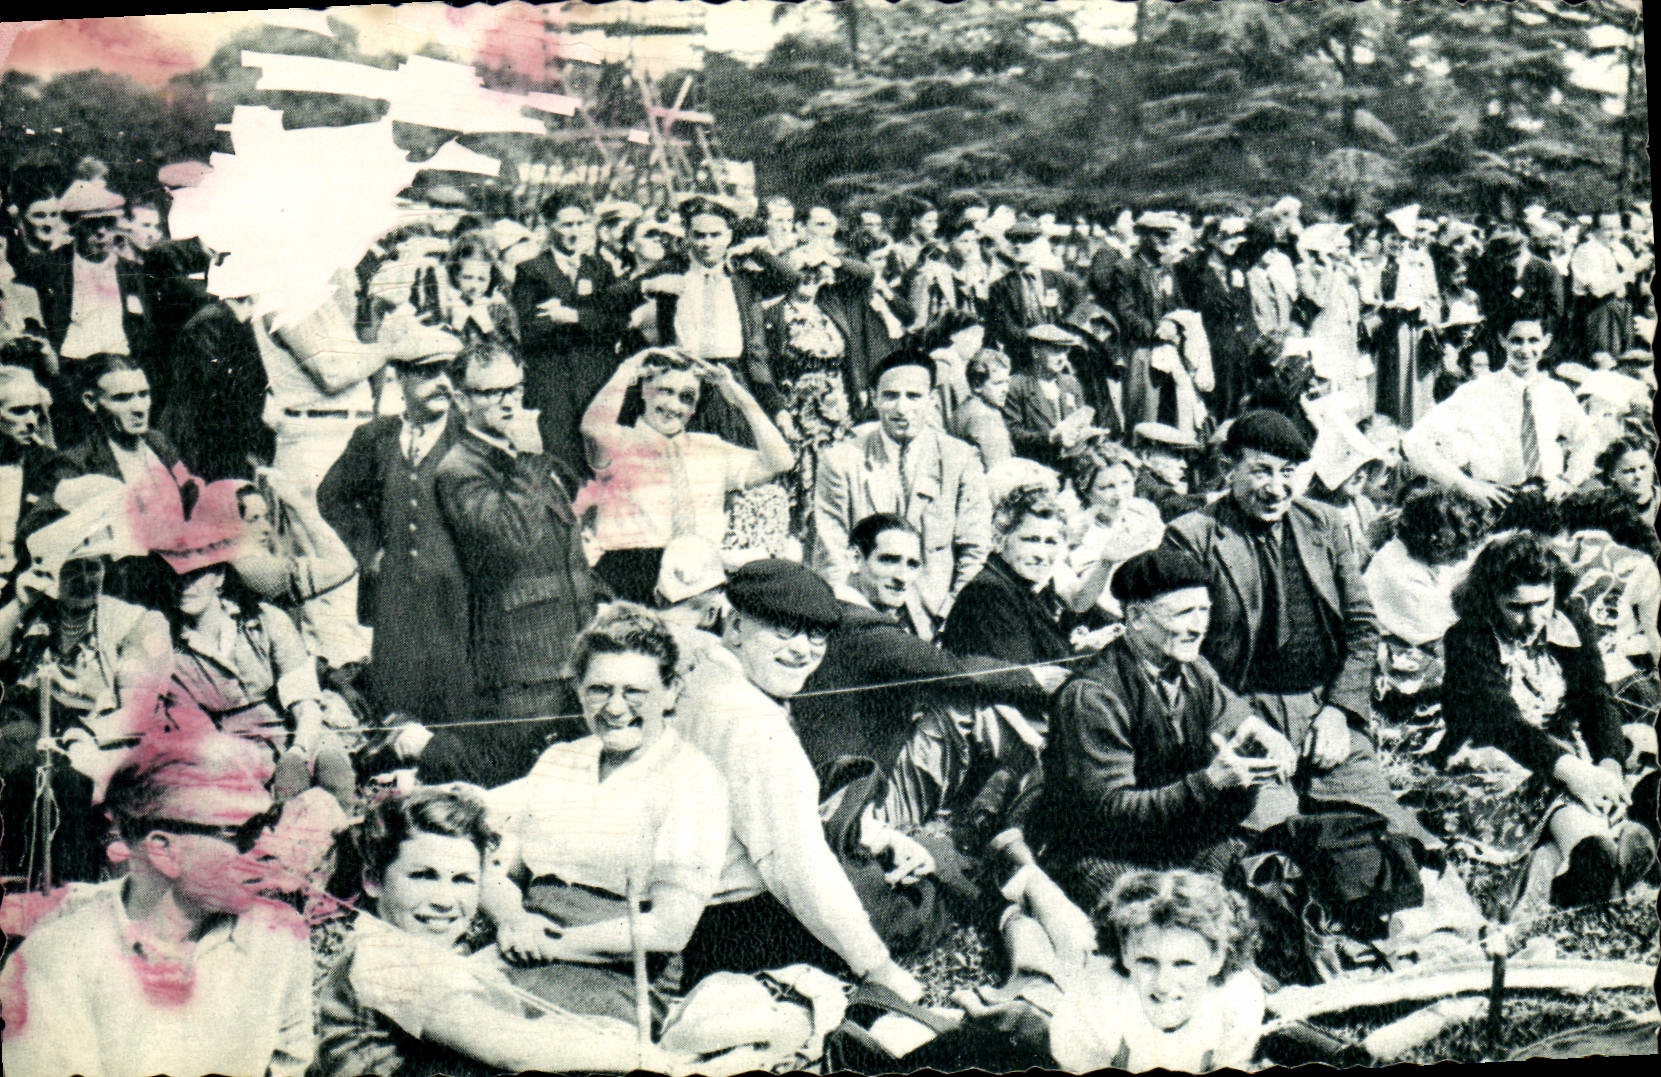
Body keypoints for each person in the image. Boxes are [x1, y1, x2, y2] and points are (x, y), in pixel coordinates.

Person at [1162, 410, 1438, 848]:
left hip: (1321, 708)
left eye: (1288, 473)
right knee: (1276, 840)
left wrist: (1338, 712)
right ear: (1227, 469)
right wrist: (1245, 725)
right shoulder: (1191, 536)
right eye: (1261, 472)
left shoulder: (1323, 524)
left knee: (1383, 831)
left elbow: (1363, 629)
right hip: (1238, 714)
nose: (1277, 488)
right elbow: (1182, 652)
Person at [673, 558, 923, 1001]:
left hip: (682, 908)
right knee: (916, 900)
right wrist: (877, 966)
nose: (802, 650)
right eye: (783, 629)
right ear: (734, 627)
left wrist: (876, 833)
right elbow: (795, 864)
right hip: (735, 929)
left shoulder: (697, 674)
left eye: (817, 634)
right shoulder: (752, 722)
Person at [0, 733, 315, 1077]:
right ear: (163, 850)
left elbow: (288, 1066)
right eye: (246, 831)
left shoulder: (280, 939)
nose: (270, 846)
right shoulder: (53, 964)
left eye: (268, 821)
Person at [480, 604, 729, 1024]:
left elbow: (670, 928)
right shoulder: (561, 759)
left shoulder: (692, 778)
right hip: (523, 948)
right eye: (599, 689)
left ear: (671, 692)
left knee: (511, 1036)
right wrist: (513, 918)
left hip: (623, 974)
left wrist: (551, 943)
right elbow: (501, 869)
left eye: (635, 692)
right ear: (578, 689)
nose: (615, 708)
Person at [316, 785, 666, 1077]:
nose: (445, 900)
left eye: (463, 880)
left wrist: (598, 1032)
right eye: (423, 876)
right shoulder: (385, 958)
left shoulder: (413, 950)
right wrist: (646, 1058)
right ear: (374, 880)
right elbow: (513, 1050)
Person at [1034, 550, 1295, 912]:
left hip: (1176, 838)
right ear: (1137, 617)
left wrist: (1264, 734)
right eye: (1183, 613)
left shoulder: (1193, 668)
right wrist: (1210, 782)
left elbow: (1232, 712)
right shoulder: (1093, 696)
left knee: (1251, 897)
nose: (1198, 626)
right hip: (1102, 851)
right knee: (1163, 921)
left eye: (1204, 611)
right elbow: (1110, 809)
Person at [1436, 532, 1654, 918]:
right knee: (1556, 788)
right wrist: (1577, 775)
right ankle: (1597, 853)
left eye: (1543, 602)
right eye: (1517, 607)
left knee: (1598, 781)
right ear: (1490, 599)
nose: (1533, 618)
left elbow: (1595, 700)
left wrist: (1608, 768)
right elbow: (1503, 724)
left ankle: (1591, 862)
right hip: (1493, 758)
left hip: (1558, 749)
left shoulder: (1569, 622)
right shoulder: (1467, 640)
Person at [432, 343, 602, 784]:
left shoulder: (523, 455)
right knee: (520, 782)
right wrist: (527, 458)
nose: (508, 400)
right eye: (490, 392)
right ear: (461, 399)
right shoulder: (460, 468)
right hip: (519, 668)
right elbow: (515, 542)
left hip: (570, 656)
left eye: (515, 388)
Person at [317, 324, 474, 727]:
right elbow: (332, 496)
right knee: (398, 701)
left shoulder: (471, 436)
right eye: (427, 372)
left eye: (449, 372)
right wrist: (371, 550)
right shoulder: (376, 437)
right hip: (394, 597)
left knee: (458, 700)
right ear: (399, 376)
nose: (442, 383)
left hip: (459, 596)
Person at [577, 347, 794, 603]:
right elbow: (592, 429)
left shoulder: (710, 447)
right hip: (632, 576)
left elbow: (781, 461)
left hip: (700, 578)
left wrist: (735, 393)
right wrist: (628, 369)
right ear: (645, 391)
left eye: (686, 397)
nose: (673, 405)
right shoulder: (621, 442)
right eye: (665, 391)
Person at [813, 348, 993, 618]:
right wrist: (851, 617)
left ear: (931, 399)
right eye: (890, 396)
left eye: (913, 397)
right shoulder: (840, 460)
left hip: (937, 613)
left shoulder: (960, 458)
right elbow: (831, 551)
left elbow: (975, 547)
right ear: (873, 398)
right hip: (863, 611)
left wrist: (952, 614)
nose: (901, 409)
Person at [1048, 870, 1265, 1074]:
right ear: (1125, 951)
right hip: (1079, 974)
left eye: (1183, 964)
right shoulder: (1094, 1002)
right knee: (1054, 945)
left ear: (1217, 958)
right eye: (1147, 961)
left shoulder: (1238, 1001)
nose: (1163, 984)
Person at [642, 195, 795, 447]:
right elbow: (621, 294)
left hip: (732, 381)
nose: (706, 243)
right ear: (688, 236)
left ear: (729, 236)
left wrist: (758, 250)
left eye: (715, 235)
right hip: (684, 382)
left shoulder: (743, 281)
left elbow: (790, 278)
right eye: (699, 235)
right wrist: (648, 285)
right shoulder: (672, 272)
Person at [1403, 317, 1600, 511]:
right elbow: (1415, 441)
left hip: (1546, 499)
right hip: (1497, 502)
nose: (1525, 350)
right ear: (1502, 340)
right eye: (1516, 340)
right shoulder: (1477, 391)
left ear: (1546, 341)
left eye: (1533, 340)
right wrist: (1467, 486)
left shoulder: (1557, 392)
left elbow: (1588, 437)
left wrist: (1568, 480)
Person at [510, 189, 627, 469]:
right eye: (566, 225)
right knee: (562, 462)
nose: (574, 232)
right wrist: (591, 319)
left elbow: (616, 324)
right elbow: (531, 328)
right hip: (554, 382)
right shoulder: (532, 270)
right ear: (550, 226)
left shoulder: (599, 269)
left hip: (596, 378)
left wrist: (571, 316)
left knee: (603, 461)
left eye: (580, 223)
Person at [940, 485, 1079, 668]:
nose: (1041, 555)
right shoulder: (988, 594)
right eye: (1031, 540)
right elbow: (1024, 680)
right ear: (999, 540)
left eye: (1051, 542)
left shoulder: (1019, 589)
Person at [161, 293, 274, 482]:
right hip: (208, 446)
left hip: (228, 444)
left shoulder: (243, 321)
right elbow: (218, 400)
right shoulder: (210, 325)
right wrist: (247, 450)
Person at [1059, 441, 1164, 617]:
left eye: (1125, 483)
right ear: (1086, 491)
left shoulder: (1143, 511)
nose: (1120, 496)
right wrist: (1106, 561)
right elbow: (1081, 601)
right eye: (1107, 487)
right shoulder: (1077, 532)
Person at [48, 353, 179, 487]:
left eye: (143, 394)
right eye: (122, 398)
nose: (139, 408)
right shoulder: (76, 465)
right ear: (91, 401)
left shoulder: (159, 444)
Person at [985, 221, 1083, 367]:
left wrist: (1065, 327)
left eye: (1026, 240)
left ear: (1038, 244)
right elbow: (1004, 326)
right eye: (1014, 241)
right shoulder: (1000, 287)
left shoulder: (1058, 279)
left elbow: (1081, 302)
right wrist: (1032, 334)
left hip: (1059, 351)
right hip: (1022, 355)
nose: (1018, 246)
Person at [1003, 324, 1093, 470]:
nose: (1062, 358)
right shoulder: (1016, 385)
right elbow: (1013, 432)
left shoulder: (1070, 383)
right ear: (1035, 352)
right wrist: (1050, 437)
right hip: (1036, 466)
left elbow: (1079, 420)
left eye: (1065, 351)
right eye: (1056, 351)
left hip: (1073, 465)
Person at [952, 347, 1016, 470]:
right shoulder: (985, 417)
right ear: (977, 385)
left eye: (1006, 382)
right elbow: (999, 471)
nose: (1005, 389)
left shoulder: (963, 409)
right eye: (998, 383)